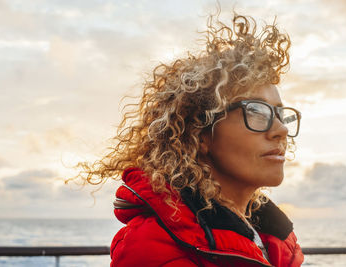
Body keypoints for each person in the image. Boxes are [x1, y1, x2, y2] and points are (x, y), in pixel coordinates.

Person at [79, 12, 304, 267]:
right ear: (200, 133)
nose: (281, 130)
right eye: (256, 111)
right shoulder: (152, 249)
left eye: (280, 114)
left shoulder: (273, 239)